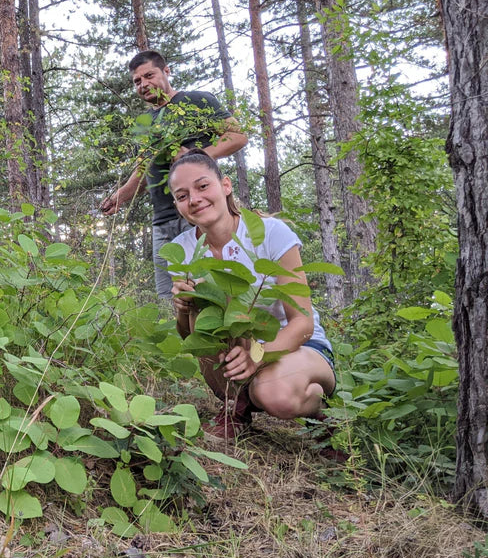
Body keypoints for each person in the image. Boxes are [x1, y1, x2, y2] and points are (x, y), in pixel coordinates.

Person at [167, 150, 336, 438]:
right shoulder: (182, 248)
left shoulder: (271, 233)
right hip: (238, 349)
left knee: (275, 395)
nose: (194, 199)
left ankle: (323, 415)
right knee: (202, 304)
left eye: (203, 186)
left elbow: (303, 323)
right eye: (182, 196)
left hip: (297, 346)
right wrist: (183, 307)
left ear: (226, 185)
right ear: (177, 205)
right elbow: (190, 335)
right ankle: (236, 406)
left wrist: (257, 357)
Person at [100, 50, 248, 300]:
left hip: (200, 213)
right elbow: (144, 170)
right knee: (171, 299)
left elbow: (237, 136)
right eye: (137, 81)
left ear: (166, 71)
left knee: (213, 293)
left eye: (149, 75)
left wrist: (196, 154)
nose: (143, 84)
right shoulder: (144, 123)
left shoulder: (197, 101)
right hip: (163, 222)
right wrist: (120, 196)